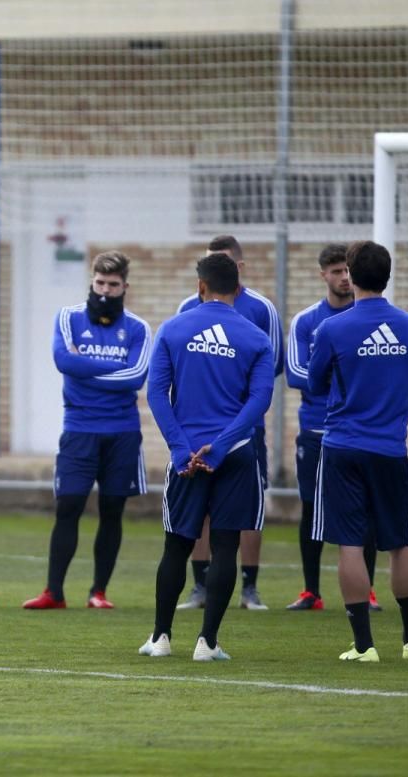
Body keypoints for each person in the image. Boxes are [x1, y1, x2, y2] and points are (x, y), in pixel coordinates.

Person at [140, 252, 273, 661]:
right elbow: (260, 401)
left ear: (200, 287)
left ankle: (161, 638)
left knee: (176, 546)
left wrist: (182, 449)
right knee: (226, 547)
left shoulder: (173, 329)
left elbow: (156, 393)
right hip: (233, 455)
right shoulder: (256, 337)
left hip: (186, 459)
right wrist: (224, 442)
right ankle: (207, 643)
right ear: (237, 288)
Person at [308, 240, 408, 662]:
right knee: (400, 541)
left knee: (350, 545)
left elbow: (315, 382)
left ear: (352, 276)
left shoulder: (333, 328)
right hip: (391, 449)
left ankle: (364, 646)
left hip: (343, 445)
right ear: (388, 276)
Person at [23, 250, 152, 611]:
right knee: (68, 507)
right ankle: (54, 592)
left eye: (113, 284)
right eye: (99, 283)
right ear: (91, 281)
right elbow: (64, 360)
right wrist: (110, 369)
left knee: (112, 510)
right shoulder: (68, 318)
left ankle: (99, 592)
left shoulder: (139, 328)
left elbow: (136, 377)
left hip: (123, 432)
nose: (105, 291)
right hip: (79, 428)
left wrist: (85, 367)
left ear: (125, 286)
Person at [175, 234, 280, 611]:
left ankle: (249, 587)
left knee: (249, 510)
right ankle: (200, 586)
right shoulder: (187, 309)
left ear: (239, 267)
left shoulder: (262, 309)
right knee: (200, 511)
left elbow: (274, 365)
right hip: (197, 434)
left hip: (244, 431)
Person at [284, 244, 380, 611]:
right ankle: (311, 591)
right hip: (316, 429)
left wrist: (331, 378)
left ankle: (367, 591)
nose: (344, 278)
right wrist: (346, 380)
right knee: (311, 508)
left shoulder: (367, 318)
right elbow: (295, 374)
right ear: (323, 274)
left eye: (348, 271)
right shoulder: (308, 321)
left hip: (357, 430)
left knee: (363, 510)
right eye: (336, 271)